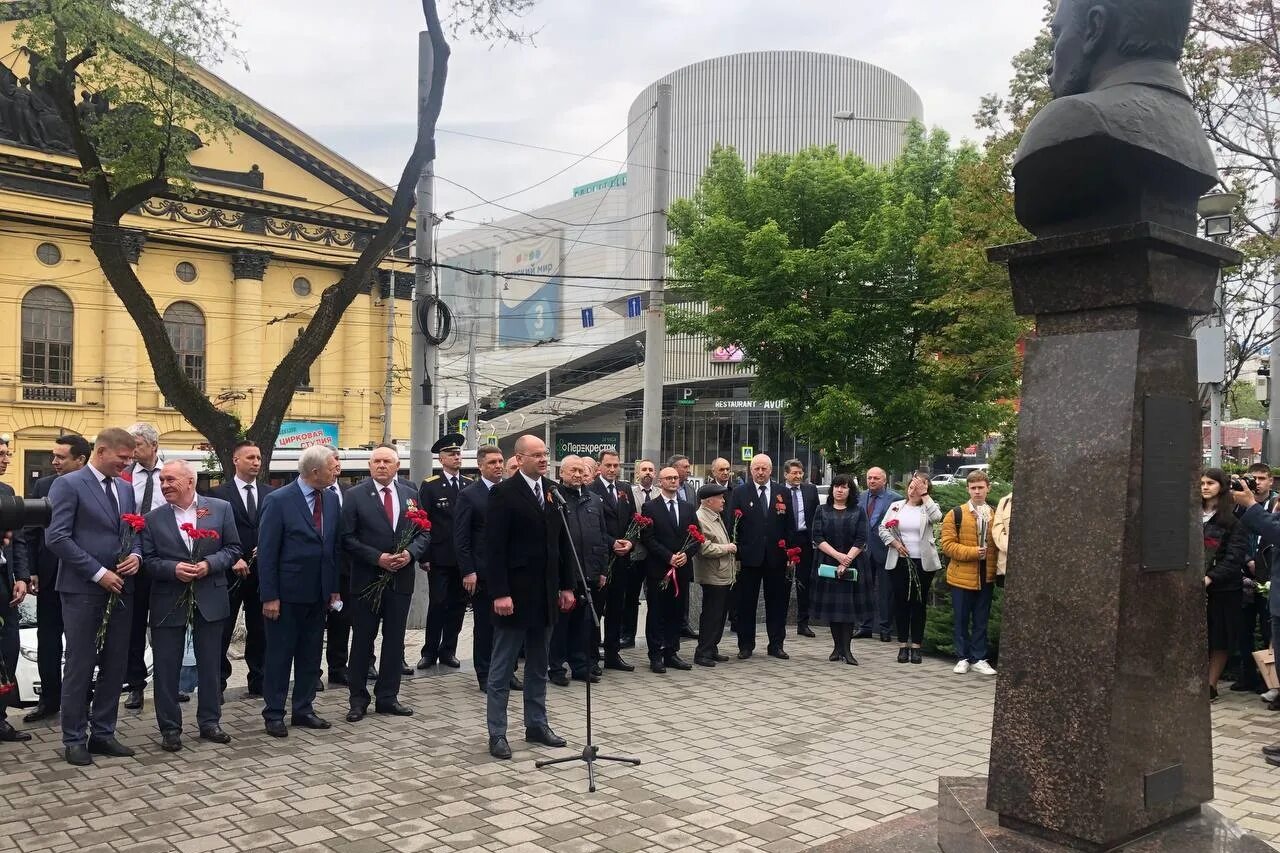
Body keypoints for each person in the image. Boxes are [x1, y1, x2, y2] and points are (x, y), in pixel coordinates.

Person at [45, 427, 143, 765]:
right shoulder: (68, 485)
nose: (127, 464)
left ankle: (103, 733)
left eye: (130, 458)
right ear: (101, 451)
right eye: (123, 458)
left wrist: (137, 556)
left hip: (121, 589)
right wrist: (99, 573)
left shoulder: (126, 489)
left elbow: (133, 531)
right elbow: (56, 538)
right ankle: (73, 737)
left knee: (115, 663)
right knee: (80, 664)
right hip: (83, 589)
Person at [482, 435, 574, 760]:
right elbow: (493, 549)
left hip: (546, 594)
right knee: (503, 667)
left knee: (538, 664)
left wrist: (566, 586)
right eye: (536, 455)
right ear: (518, 459)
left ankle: (536, 724)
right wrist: (500, 593)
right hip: (514, 596)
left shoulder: (552, 491)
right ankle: (497, 733)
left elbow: (561, 544)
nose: (543, 459)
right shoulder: (503, 494)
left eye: (545, 454)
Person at [141, 460, 242, 752]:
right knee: (166, 667)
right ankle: (170, 728)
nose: (164, 485)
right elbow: (147, 560)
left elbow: (234, 548)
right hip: (168, 600)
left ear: (190, 481)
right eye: (162, 481)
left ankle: (210, 722)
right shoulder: (153, 518)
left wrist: (209, 564)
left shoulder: (219, 509)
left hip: (210, 596)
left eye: (171, 479)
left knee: (210, 664)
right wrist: (173, 569)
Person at [340, 445, 430, 722]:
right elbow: (346, 538)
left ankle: (388, 697)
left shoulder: (411, 494)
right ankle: (358, 700)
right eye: (376, 461)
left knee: (394, 642)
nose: (381, 465)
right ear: (369, 466)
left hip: (400, 581)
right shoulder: (354, 496)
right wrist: (377, 558)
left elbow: (424, 532)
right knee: (362, 642)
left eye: (387, 461)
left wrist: (410, 553)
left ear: (396, 466)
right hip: (367, 580)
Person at [257, 445, 342, 738]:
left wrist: (333, 590)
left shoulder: (331, 499)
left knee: (310, 656)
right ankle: (274, 713)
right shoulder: (278, 500)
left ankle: (304, 709)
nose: (337, 469)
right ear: (315, 471)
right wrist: (270, 596)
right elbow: (267, 553)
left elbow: (332, 549)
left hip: (317, 594)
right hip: (285, 595)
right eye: (334, 465)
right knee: (280, 656)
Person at [23, 433, 91, 724]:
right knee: (48, 640)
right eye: (54, 456)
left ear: (81, 460)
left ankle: (83, 700)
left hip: (86, 577)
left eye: (61, 457)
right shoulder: (43, 486)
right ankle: (49, 700)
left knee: (83, 643)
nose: (54, 462)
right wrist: (31, 570)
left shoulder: (96, 487)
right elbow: (30, 533)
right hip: (50, 577)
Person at [209, 440, 274, 698]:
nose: (256, 462)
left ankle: (259, 680)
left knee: (261, 630)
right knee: (222, 630)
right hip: (229, 572)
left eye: (258, 458)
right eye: (250, 458)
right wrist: (232, 557)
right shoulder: (217, 495)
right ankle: (217, 684)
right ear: (236, 460)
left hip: (261, 574)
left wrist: (266, 548)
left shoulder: (271, 493)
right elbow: (213, 533)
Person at [455, 446, 521, 692]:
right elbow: (461, 538)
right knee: (485, 626)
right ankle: (484, 673)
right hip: (482, 573)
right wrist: (468, 570)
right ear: (480, 466)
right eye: (492, 462)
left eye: (500, 461)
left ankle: (509, 672)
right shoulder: (469, 495)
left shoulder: (509, 491)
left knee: (510, 625)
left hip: (510, 570)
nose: (497, 466)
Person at [548, 456, 609, 685]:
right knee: (560, 625)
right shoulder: (554, 499)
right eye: (571, 470)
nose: (576, 474)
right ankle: (555, 669)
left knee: (582, 624)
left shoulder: (594, 500)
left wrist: (602, 569)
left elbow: (602, 537)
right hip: (565, 572)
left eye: (580, 470)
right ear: (561, 473)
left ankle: (581, 666)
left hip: (589, 570)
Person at [727, 454, 792, 660]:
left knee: (778, 603)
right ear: (751, 470)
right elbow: (732, 525)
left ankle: (776, 644)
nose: (760, 472)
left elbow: (790, 525)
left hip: (776, 557)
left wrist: (790, 552)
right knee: (746, 603)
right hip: (748, 558)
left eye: (764, 469)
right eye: (757, 469)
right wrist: (736, 552)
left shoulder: (783, 492)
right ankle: (746, 645)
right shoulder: (740, 492)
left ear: (771, 470)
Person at [416, 433, 471, 670]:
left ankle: (449, 650)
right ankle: (429, 652)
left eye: (458, 453)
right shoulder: (430, 486)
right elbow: (423, 522)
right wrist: (425, 556)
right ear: (441, 459)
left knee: (458, 605)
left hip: (463, 559)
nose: (456, 457)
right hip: (439, 557)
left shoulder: (469, 484)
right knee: (438, 604)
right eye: (451, 454)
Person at [640, 467, 700, 672]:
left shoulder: (688, 507)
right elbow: (647, 538)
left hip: (682, 569)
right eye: (669, 478)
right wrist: (669, 557)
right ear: (660, 482)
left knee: (677, 612)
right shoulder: (650, 507)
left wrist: (686, 554)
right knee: (657, 612)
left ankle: (671, 652)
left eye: (676, 478)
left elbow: (697, 537)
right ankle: (655, 654)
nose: (674, 481)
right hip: (659, 568)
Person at [879, 472, 942, 665]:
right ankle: (902, 645)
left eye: (920, 487)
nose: (914, 490)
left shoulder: (929, 507)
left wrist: (925, 495)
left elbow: (937, 517)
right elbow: (882, 528)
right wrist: (895, 544)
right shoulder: (896, 506)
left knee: (918, 603)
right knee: (901, 603)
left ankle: (916, 645)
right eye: (912, 486)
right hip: (900, 560)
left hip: (922, 562)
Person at [941, 471, 998, 676]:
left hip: (987, 575)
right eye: (973, 488)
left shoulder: (994, 513)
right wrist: (973, 552)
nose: (977, 491)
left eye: (981, 487)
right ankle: (963, 657)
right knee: (962, 619)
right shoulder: (956, 513)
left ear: (987, 488)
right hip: (961, 576)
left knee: (981, 619)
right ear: (968, 489)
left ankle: (979, 658)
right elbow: (947, 546)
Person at [123, 422, 163, 711]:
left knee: (165, 625)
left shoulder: (172, 474)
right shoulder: (124, 477)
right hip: (132, 559)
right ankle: (135, 685)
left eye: (137, 444)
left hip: (164, 558)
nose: (132, 450)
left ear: (153, 446)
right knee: (134, 625)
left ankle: (168, 682)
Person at [811, 475, 867, 665]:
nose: (839, 490)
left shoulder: (858, 511)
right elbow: (817, 537)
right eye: (836, 486)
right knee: (834, 609)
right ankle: (837, 648)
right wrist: (838, 557)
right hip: (829, 563)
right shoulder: (821, 510)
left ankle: (847, 650)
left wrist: (847, 559)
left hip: (853, 564)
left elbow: (861, 538)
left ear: (850, 491)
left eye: (844, 487)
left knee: (848, 609)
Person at [588, 449, 636, 672]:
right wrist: (612, 543)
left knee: (618, 607)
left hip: (623, 559)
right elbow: (591, 526)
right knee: (596, 608)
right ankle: (590, 656)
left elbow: (634, 520)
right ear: (599, 466)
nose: (613, 469)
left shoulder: (624, 489)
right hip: (601, 559)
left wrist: (630, 542)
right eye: (608, 465)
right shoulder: (591, 490)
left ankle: (612, 653)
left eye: (616, 465)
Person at [1202, 468, 1247, 701]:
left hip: (1222, 589)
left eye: (1211, 482)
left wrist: (1211, 577)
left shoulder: (1231, 521)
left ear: (1222, 486)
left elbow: (1234, 556)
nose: (1205, 487)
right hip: (1195, 588)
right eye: (1202, 483)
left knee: (1219, 637)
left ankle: (1211, 685)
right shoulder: (1191, 516)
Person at [1234, 464, 1275, 694]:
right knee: (1244, 629)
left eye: (1262, 478)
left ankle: (1269, 679)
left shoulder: (1274, 506)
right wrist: (1247, 558)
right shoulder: (1239, 505)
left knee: (1269, 630)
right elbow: (1235, 535)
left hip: (1267, 575)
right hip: (1244, 574)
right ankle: (1246, 675)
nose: (1257, 483)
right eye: (1253, 478)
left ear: (1271, 481)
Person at [0, 436, 30, 744]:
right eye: (2, 454)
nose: (7, 459)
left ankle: (0, 719)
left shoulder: (7, 493)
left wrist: (21, 576)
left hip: (5, 589)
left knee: (8, 652)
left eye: (8, 454)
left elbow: (18, 541)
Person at [693, 482, 736, 667]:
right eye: (720, 497)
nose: (723, 501)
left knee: (719, 614)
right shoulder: (701, 518)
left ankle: (712, 649)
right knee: (712, 614)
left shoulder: (714, 515)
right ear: (709, 501)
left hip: (722, 573)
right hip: (712, 575)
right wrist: (727, 548)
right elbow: (704, 548)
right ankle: (703, 652)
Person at [856, 467, 901, 641]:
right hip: (863, 551)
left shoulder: (896, 499)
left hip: (885, 550)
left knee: (886, 592)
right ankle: (865, 626)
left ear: (884, 480)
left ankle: (885, 629)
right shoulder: (860, 497)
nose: (872, 481)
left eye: (876, 478)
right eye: (869, 478)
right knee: (864, 590)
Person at [321, 450, 353, 688]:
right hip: (315, 570)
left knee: (341, 622)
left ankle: (338, 668)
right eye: (332, 461)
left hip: (343, 569)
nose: (337, 465)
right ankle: (311, 672)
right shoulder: (307, 493)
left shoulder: (348, 493)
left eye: (338, 460)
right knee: (312, 625)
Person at [623, 458, 658, 647]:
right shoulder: (630, 493)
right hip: (636, 553)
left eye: (651, 469)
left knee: (654, 595)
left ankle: (653, 635)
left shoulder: (661, 493)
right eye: (644, 469)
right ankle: (628, 634)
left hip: (655, 555)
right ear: (637, 473)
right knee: (631, 596)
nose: (647, 472)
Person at [783, 460, 819, 638]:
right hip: (785, 542)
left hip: (805, 540)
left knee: (804, 582)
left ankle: (803, 623)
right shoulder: (779, 492)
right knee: (783, 582)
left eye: (800, 473)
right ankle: (779, 621)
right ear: (786, 475)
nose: (797, 476)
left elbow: (816, 514)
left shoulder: (810, 490)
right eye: (794, 473)